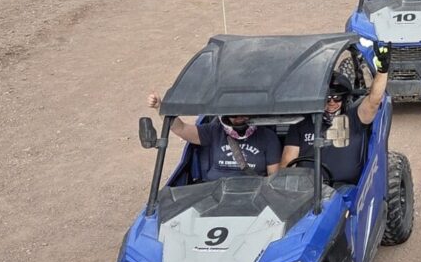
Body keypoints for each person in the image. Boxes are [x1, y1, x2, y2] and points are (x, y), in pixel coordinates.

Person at [281, 45, 391, 184]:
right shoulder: (302, 123)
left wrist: (382, 71)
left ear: (344, 98)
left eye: (337, 98)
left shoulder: (354, 118)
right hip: (309, 190)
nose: (332, 102)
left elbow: (373, 101)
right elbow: (287, 163)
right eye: (327, 99)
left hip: (346, 191)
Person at [145, 93, 284, 181]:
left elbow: (273, 179)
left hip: (252, 194)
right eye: (234, 115)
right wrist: (160, 107)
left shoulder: (268, 138)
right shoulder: (214, 131)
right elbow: (181, 128)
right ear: (225, 115)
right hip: (213, 193)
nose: (239, 118)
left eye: (244, 113)